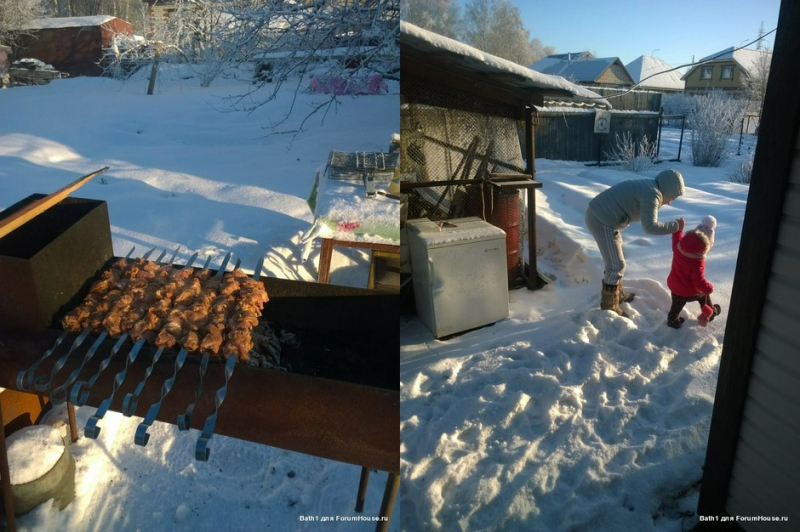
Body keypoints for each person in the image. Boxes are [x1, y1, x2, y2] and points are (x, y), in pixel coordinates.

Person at [585, 169, 685, 316]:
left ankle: (617, 294)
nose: (670, 202)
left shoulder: (650, 187)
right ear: (668, 189)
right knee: (616, 264)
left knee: (616, 261)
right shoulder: (653, 194)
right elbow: (650, 226)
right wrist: (676, 226)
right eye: (673, 197)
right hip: (602, 220)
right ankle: (609, 306)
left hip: (603, 218)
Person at [666, 215, 722, 328]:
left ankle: (672, 321)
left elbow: (676, 237)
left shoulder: (678, 247)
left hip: (674, 286)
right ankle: (710, 313)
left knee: (676, 306)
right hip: (689, 292)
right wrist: (709, 288)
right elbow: (699, 282)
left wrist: (679, 229)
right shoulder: (697, 262)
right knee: (704, 294)